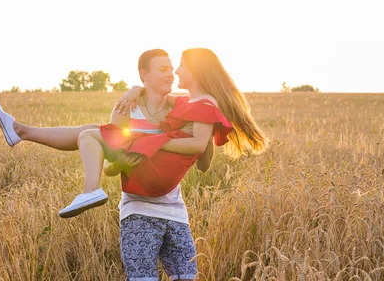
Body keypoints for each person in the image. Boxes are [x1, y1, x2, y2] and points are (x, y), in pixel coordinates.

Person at [0, 48, 208, 281]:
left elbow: (203, 147)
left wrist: (203, 137)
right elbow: (110, 166)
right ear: (144, 74)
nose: (171, 74)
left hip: (175, 210)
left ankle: (22, 132)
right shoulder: (127, 108)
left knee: (188, 277)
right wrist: (122, 163)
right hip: (138, 210)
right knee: (94, 133)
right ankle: (23, 132)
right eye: (163, 69)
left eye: (171, 68)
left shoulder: (181, 107)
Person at [58, 48, 267, 219]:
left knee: (91, 134)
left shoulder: (204, 104)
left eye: (181, 66)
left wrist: (153, 141)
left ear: (196, 71)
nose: (176, 71)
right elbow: (164, 100)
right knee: (91, 132)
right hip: (153, 201)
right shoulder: (187, 102)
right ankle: (26, 133)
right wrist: (136, 89)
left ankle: (89, 189)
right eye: (169, 68)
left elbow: (200, 154)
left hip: (163, 199)